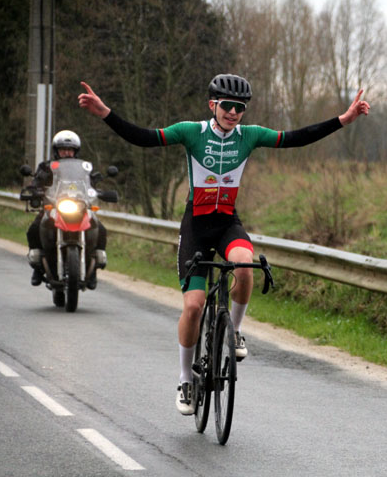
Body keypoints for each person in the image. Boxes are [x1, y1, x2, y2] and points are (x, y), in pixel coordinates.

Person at [78, 74, 370, 415]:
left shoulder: (250, 136)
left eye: (240, 108)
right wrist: (105, 114)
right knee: (193, 307)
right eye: (227, 106)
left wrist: (343, 120)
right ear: (212, 105)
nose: (233, 113)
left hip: (227, 222)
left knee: (246, 267)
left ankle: (236, 330)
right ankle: (186, 379)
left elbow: (297, 138)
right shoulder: (192, 132)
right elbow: (145, 138)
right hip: (196, 227)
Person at [26, 130, 108, 289]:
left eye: (70, 149)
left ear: (75, 151)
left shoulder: (84, 169)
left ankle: (94, 269)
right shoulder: (46, 167)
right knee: (34, 228)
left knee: (100, 229)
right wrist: (34, 191)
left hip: (80, 207)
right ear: (56, 151)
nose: (66, 152)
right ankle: (38, 268)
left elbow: (92, 184)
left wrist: (100, 191)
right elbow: (36, 182)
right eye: (63, 149)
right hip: (53, 206)